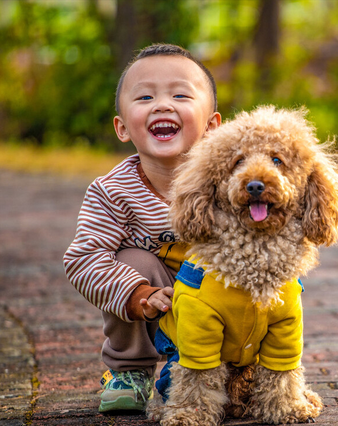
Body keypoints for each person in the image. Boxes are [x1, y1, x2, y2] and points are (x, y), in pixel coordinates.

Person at [63, 43, 221, 413]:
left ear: (213, 125)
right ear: (121, 127)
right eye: (145, 96)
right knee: (133, 260)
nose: (162, 104)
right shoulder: (112, 191)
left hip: (215, 296)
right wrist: (138, 295)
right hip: (155, 297)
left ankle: (227, 368)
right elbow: (84, 259)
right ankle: (131, 369)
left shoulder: (228, 180)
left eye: (180, 94)